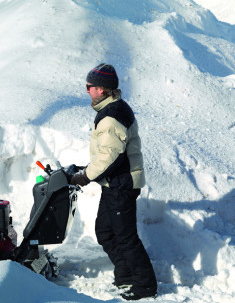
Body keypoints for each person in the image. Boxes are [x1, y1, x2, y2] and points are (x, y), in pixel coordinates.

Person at [71, 63, 157, 301]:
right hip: (113, 184)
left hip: (122, 185)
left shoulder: (111, 116)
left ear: (101, 89)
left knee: (126, 237)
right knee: (106, 232)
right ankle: (126, 276)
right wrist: (87, 169)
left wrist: (85, 176)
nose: (86, 90)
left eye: (89, 86)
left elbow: (111, 156)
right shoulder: (112, 109)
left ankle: (144, 286)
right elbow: (108, 152)